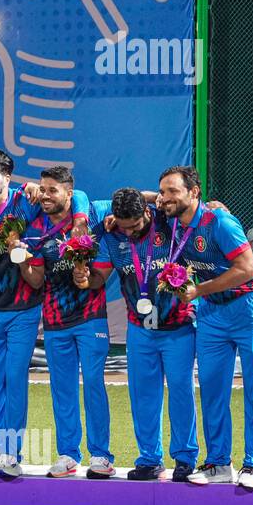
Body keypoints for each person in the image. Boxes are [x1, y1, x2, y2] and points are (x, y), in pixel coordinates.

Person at [0, 148, 90, 478]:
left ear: (7, 178)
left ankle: (12, 454)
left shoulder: (26, 201)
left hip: (23, 309)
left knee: (14, 379)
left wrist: (77, 219)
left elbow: (80, 197)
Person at [159, 166, 253, 488]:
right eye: (163, 192)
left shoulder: (219, 222)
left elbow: (247, 269)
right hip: (212, 315)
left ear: (194, 193)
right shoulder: (174, 218)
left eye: (172, 192)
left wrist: (197, 291)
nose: (165, 198)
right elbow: (148, 198)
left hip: (248, 308)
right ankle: (219, 463)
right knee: (211, 389)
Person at [95, 188, 198, 482]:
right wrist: (85, 276)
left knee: (181, 392)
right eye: (123, 226)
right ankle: (150, 459)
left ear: (147, 213)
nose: (128, 232)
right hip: (139, 329)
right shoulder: (113, 235)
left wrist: (154, 198)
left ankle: (184, 458)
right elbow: (99, 277)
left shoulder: (169, 224)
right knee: (143, 396)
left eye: (135, 226)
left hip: (177, 326)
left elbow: (189, 209)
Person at [20, 167, 115, 479]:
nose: (45, 196)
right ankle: (68, 455)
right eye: (43, 190)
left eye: (53, 190)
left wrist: (87, 278)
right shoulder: (35, 228)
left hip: (90, 319)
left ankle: (100, 456)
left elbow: (135, 202)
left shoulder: (93, 213)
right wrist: (20, 258)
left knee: (94, 385)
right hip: (55, 320)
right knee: (62, 390)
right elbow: (34, 281)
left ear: (69, 194)